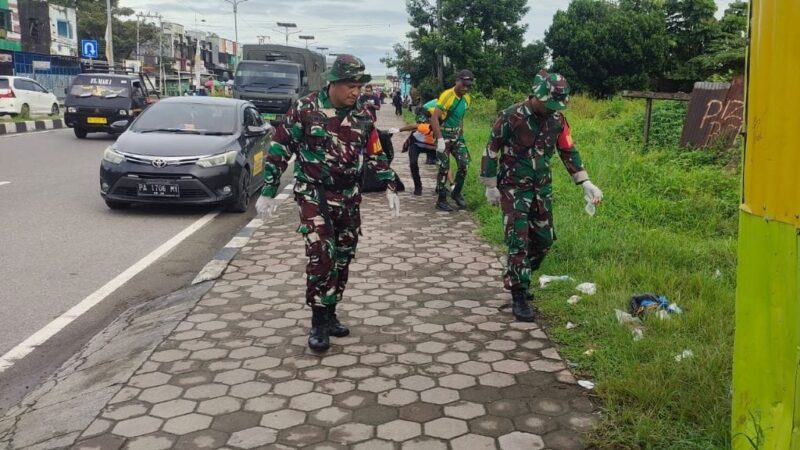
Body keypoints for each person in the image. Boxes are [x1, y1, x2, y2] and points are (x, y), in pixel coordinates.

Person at [256, 55, 401, 352]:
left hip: (349, 195)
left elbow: (375, 152)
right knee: (322, 254)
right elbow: (280, 147)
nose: (355, 92)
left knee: (344, 256)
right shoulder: (305, 108)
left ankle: (332, 310)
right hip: (314, 193)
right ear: (333, 83)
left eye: (359, 86)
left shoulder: (363, 114)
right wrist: (268, 190)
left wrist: (389, 185)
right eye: (350, 85)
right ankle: (318, 321)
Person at [480, 70, 603, 322]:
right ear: (536, 95)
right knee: (518, 240)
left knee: (545, 240)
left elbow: (568, 150)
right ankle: (519, 292)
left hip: (542, 189)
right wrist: (490, 185)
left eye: (555, 104)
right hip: (514, 189)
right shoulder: (511, 116)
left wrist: (585, 181)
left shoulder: (557, 119)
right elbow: (491, 149)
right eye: (547, 103)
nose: (550, 109)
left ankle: (518, 276)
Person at [431, 69, 473, 211]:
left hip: (457, 137)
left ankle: (456, 193)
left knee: (464, 164)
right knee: (444, 167)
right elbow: (434, 118)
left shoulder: (467, 98)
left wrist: (461, 135)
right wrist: (440, 139)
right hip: (443, 136)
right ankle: (441, 199)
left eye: (468, 86)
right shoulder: (447, 95)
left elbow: (460, 119)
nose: (465, 88)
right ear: (457, 81)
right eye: (463, 84)